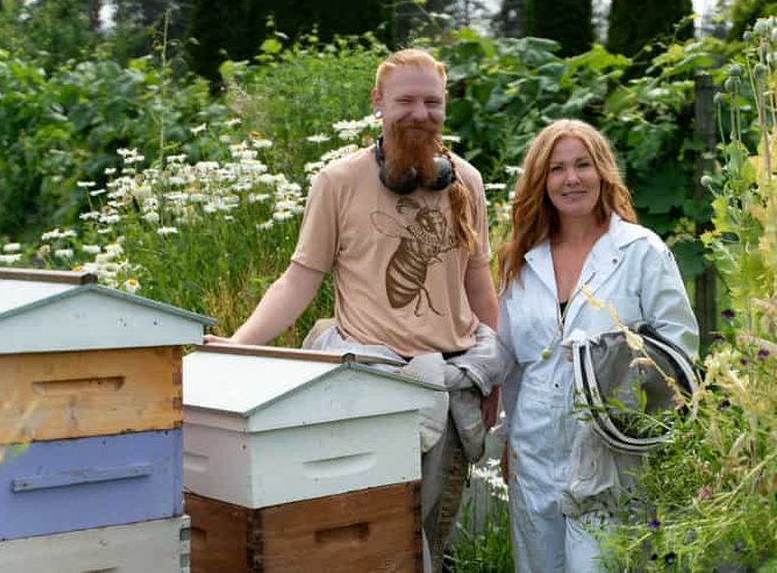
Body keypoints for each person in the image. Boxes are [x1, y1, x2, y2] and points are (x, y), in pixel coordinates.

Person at [205, 48, 504, 572]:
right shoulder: (338, 181)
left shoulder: (468, 182)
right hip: (369, 386)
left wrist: (493, 374)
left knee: (432, 535)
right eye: (405, 100)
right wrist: (237, 346)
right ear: (378, 104)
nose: (419, 112)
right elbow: (300, 278)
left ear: (446, 106)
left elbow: (479, 282)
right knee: (369, 535)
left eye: (431, 101)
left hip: (451, 380)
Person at [496, 119, 699, 572]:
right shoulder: (523, 261)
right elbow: (509, 362)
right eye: (557, 169)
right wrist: (509, 440)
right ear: (540, 182)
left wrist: (622, 370)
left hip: (612, 454)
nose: (571, 179)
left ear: (602, 172)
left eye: (582, 165)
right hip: (534, 453)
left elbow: (680, 347)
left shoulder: (641, 251)